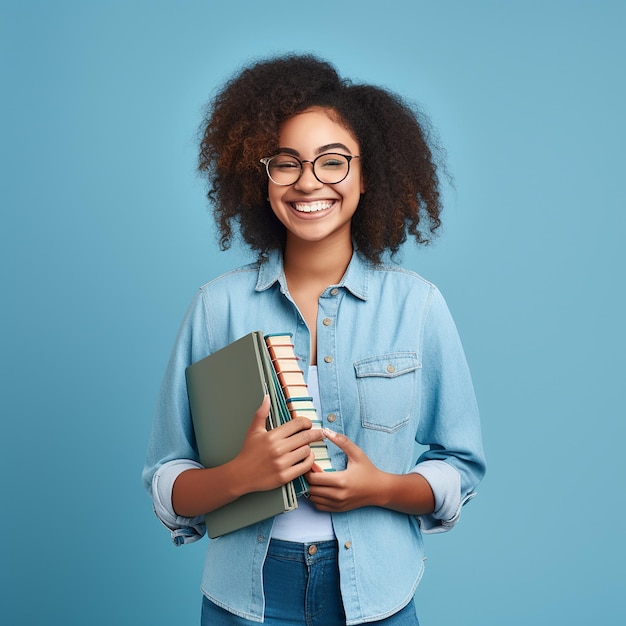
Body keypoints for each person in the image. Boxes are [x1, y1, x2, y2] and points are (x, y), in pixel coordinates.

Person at [143, 54, 486, 626]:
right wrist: (239, 478)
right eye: (287, 163)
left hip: (377, 594)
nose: (308, 182)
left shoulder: (418, 307)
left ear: (367, 173)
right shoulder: (216, 307)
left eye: (333, 162)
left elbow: (461, 468)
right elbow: (166, 479)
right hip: (243, 599)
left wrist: (382, 488)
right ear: (262, 175)